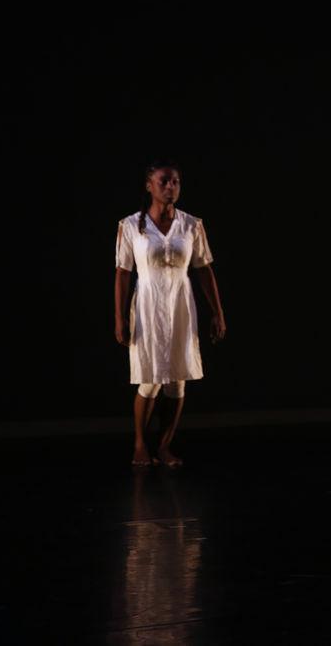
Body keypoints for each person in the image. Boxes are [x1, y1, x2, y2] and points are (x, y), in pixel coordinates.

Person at [114, 160, 227, 467]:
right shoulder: (130, 226)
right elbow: (123, 273)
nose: (170, 187)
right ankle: (140, 443)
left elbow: (204, 269)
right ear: (149, 186)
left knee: (177, 381)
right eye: (163, 182)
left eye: (175, 182)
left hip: (179, 303)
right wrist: (120, 317)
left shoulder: (191, 224)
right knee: (149, 380)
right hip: (149, 305)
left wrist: (217, 312)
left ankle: (164, 446)